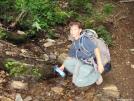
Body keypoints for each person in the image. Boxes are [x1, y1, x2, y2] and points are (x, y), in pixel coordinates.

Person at [59, 21, 104, 87]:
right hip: (82, 62)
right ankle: (82, 74)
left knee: (78, 83)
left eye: (75, 29)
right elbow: (70, 56)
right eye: (71, 29)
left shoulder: (84, 40)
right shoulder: (74, 43)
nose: (72, 31)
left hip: (90, 64)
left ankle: (97, 75)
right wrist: (62, 66)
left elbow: (96, 49)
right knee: (67, 62)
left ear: (80, 30)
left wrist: (100, 65)